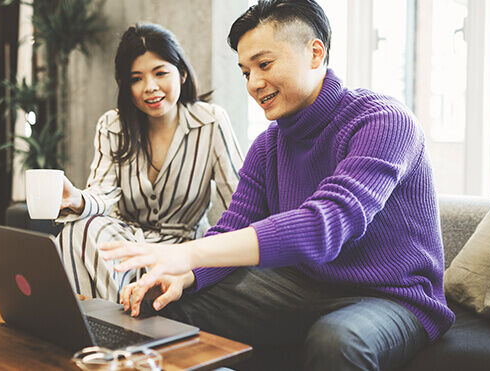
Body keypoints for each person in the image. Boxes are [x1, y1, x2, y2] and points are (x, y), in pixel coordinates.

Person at [100, 1, 455, 369]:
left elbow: (325, 225)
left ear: (315, 53)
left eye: (264, 65)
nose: (254, 83)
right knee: (162, 307)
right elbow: (231, 228)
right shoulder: (268, 146)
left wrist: (187, 253)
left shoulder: (383, 121)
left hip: (392, 296)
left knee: (337, 341)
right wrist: (186, 275)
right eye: (245, 71)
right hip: (300, 286)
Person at [53, 23, 244, 303]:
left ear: (181, 74)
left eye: (160, 73)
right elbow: (102, 192)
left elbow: (238, 201)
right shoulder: (112, 125)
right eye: (136, 78)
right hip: (127, 243)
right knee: (76, 230)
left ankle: (114, 322)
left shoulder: (211, 121)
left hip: (180, 252)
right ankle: (103, 325)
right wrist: (76, 199)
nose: (150, 87)